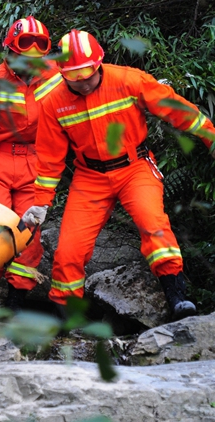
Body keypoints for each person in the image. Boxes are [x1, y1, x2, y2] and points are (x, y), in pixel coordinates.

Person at [22, 29, 215, 320]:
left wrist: (210, 136)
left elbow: (175, 109)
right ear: (61, 73)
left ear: (99, 63)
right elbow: (49, 159)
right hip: (89, 177)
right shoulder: (53, 102)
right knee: (68, 251)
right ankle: (64, 317)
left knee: (153, 225)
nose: (84, 83)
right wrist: (41, 202)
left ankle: (177, 298)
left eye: (88, 73)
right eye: (74, 76)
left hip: (134, 167)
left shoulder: (129, 80)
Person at [0, 16, 62, 310]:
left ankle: (16, 303)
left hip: (35, 161)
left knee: (29, 233)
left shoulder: (55, 76)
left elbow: (89, 80)